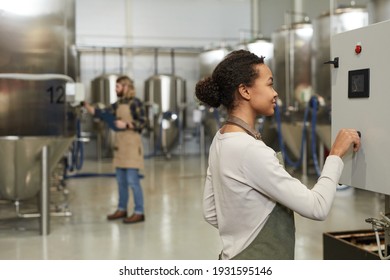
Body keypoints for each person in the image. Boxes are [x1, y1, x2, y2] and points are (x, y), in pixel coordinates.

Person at [195, 50, 361, 260]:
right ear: (245, 91)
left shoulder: (220, 139)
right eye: (269, 84)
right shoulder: (250, 150)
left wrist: (245, 228)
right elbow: (317, 207)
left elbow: (210, 211)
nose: (275, 93)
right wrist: (336, 154)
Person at [84, 75, 146, 224]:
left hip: (132, 146)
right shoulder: (117, 104)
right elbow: (102, 113)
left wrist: (126, 125)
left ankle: (139, 212)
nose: (115, 89)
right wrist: (86, 106)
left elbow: (143, 123)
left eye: (117, 87)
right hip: (120, 147)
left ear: (126, 87)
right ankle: (122, 209)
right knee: (120, 181)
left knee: (133, 181)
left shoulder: (135, 103)